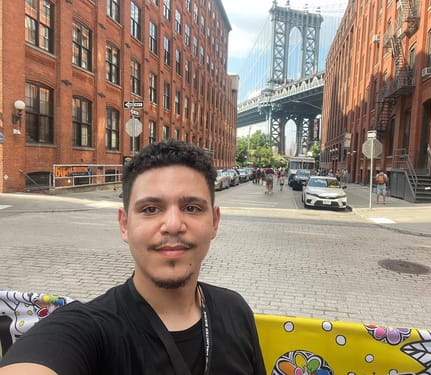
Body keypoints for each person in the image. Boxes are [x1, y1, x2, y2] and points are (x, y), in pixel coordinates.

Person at [0, 140, 266, 375]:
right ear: (124, 225)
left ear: (214, 222)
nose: (173, 224)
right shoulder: (89, 330)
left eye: (192, 208)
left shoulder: (236, 310)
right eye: (151, 209)